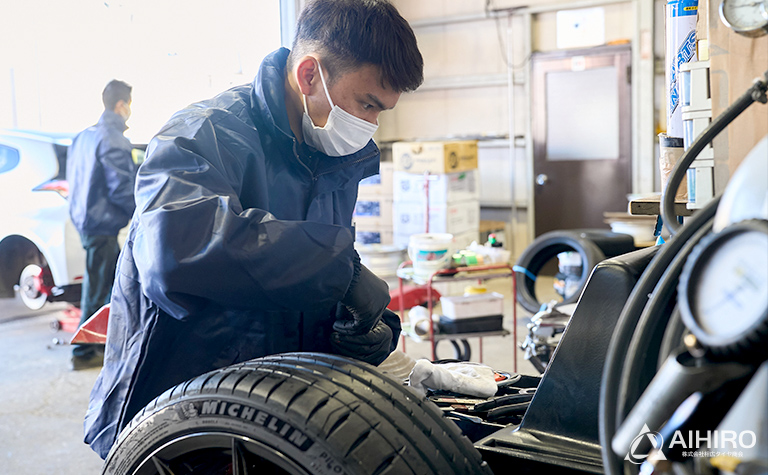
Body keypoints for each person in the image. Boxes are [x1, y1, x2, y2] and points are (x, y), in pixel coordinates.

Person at [84, 0, 423, 459]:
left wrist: (355, 328)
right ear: (309, 76)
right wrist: (338, 270)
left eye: (380, 111)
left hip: (273, 416)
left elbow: (297, 275)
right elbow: (177, 252)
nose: (370, 124)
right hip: (181, 418)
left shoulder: (333, 157)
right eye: (367, 104)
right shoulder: (202, 135)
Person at [66, 79, 138, 371]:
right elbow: (120, 186)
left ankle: (110, 341)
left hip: (86, 220)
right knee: (98, 288)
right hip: (102, 223)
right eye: (130, 104)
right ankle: (84, 351)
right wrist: (143, 210)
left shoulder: (84, 136)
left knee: (111, 283)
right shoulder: (113, 139)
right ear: (122, 105)